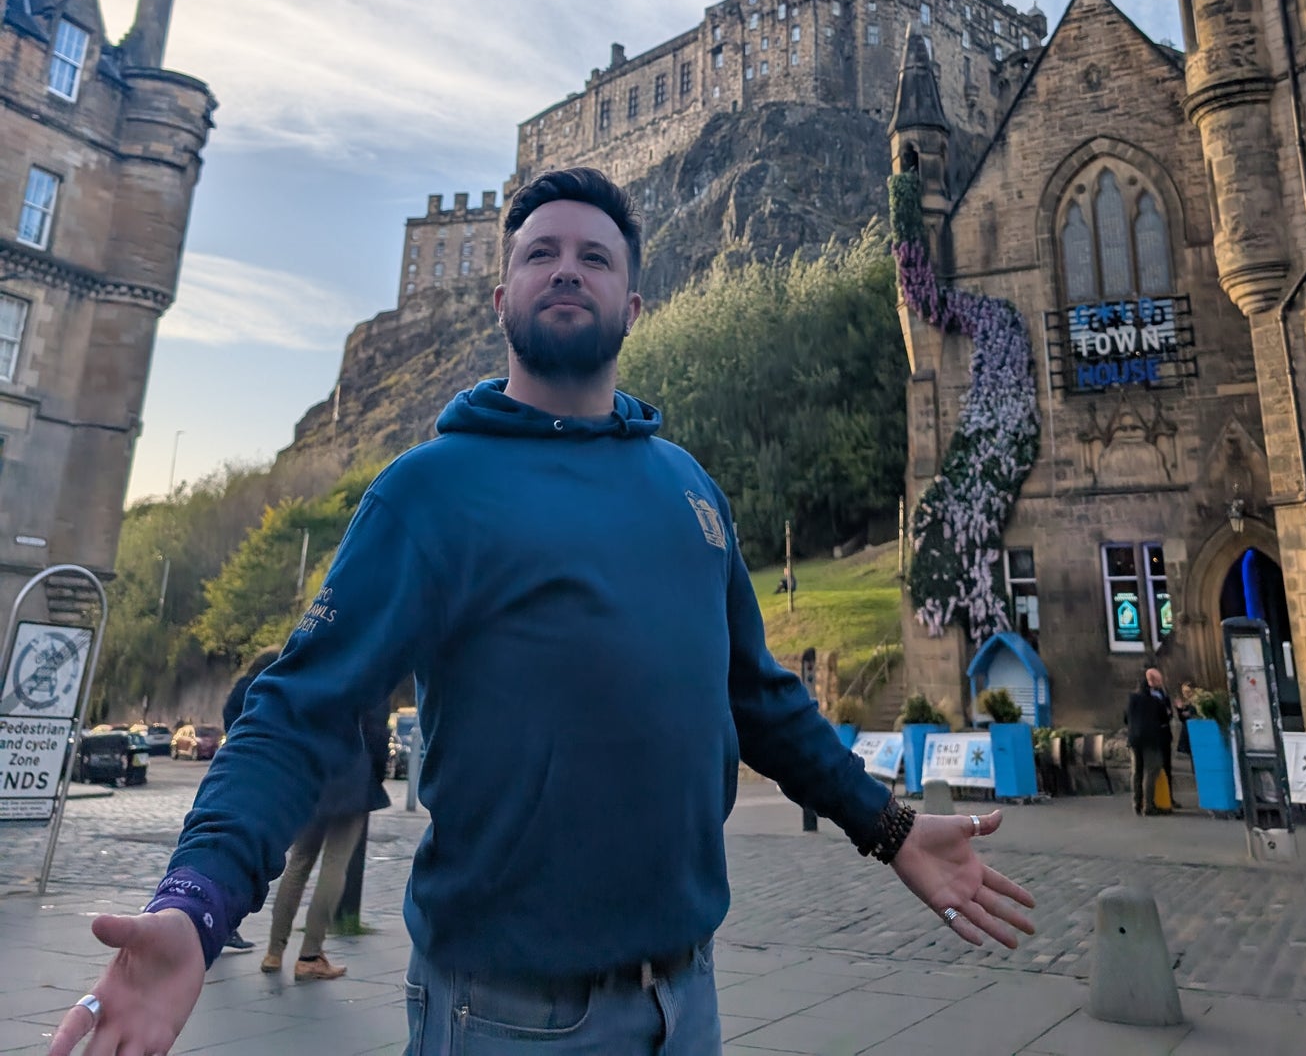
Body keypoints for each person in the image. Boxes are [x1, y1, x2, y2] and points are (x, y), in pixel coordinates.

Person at [50, 166, 1034, 1056]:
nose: (567, 269)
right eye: (541, 253)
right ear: (501, 295)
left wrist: (889, 825)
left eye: (594, 255)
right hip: (505, 1015)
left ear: (633, 301)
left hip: (686, 998)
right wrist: (194, 902)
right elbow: (292, 710)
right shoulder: (430, 490)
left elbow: (758, 697)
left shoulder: (688, 487)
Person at [260, 696, 391, 979]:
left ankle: (273, 951)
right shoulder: (371, 679)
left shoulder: (321, 667)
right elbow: (378, 737)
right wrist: (374, 778)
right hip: (352, 781)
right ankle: (310, 956)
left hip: (313, 779)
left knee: (298, 863)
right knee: (335, 865)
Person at [213, 645, 284, 953]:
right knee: (247, 855)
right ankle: (227, 923)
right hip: (262, 774)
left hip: (236, 767)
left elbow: (230, 717)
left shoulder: (242, 688)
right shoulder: (270, 687)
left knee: (231, 849)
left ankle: (220, 921)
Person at [1126, 666, 1174, 815]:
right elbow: (1165, 718)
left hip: (1134, 739)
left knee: (1137, 772)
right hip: (1151, 739)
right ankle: (1149, 805)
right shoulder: (1155, 701)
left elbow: (1125, 718)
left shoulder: (1131, 699)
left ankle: (1136, 802)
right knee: (1151, 771)